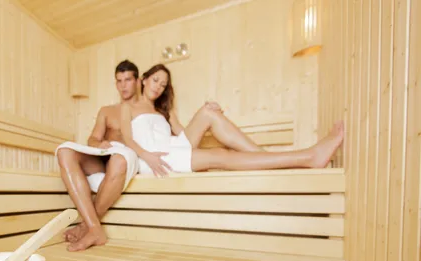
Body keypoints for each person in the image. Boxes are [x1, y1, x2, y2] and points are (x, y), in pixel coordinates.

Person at [119, 64, 345, 177]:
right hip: (154, 159)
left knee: (209, 112)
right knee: (221, 155)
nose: (158, 87)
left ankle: (279, 160)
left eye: (163, 84)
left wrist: (207, 114)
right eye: (155, 80)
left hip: (171, 148)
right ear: (143, 80)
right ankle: (307, 157)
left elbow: (183, 136)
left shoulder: (163, 113)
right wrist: (147, 156)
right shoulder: (127, 107)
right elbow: (128, 139)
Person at [55, 60, 141, 252]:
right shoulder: (107, 111)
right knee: (64, 151)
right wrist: (99, 143)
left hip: (125, 157)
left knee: (119, 159)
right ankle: (95, 228)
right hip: (104, 155)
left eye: (127, 80)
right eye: (119, 81)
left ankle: (86, 226)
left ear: (137, 81)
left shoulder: (145, 109)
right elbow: (92, 138)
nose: (123, 85)